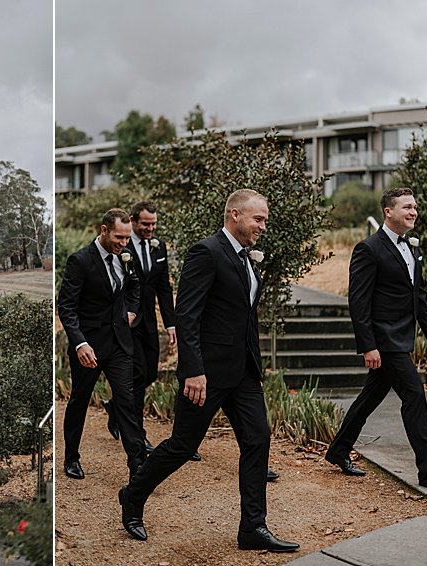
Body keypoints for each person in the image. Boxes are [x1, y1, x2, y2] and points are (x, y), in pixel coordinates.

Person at [119, 189, 298, 553]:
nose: (263, 226)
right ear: (234, 215)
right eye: (257, 219)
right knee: (183, 446)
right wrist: (193, 371)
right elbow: (187, 314)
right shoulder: (207, 252)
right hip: (207, 373)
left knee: (257, 438)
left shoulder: (248, 258)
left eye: (264, 219)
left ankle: (253, 527)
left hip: (243, 371)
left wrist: (255, 362)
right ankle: (132, 495)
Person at [325, 187, 427, 492]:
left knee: (370, 397)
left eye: (415, 207)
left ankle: (339, 450)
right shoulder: (368, 249)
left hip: (402, 337)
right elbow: (358, 302)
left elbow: (418, 296)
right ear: (388, 212)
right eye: (407, 207)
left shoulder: (413, 248)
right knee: (414, 395)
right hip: (384, 340)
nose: (413, 212)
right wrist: (368, 345)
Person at [58, 208, 146, 481]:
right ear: (104, 230)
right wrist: (80, 343)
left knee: (126, 400)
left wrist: (131, 311)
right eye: (119, 237)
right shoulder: (80, 261)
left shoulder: (126, 257)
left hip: (119, 342)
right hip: (89, 347)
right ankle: (71, 457)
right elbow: (67, 307)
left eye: (127, 238)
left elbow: (134, 287)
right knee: (79, 401)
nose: (123, 243)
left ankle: (138, 465)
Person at [103, 201, 185, 456]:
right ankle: (138, 435)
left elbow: (164, 287)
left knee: (149, 373)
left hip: (149, 321)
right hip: (126, 322)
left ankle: (116, 406)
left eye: (153, 224)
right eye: (145, 224)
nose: (150, 228)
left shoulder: (157, 247)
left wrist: (170, 323)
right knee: (137, 375)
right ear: (134, 221)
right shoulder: (121, 247)